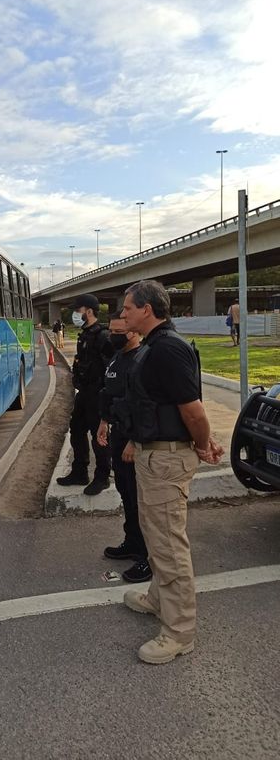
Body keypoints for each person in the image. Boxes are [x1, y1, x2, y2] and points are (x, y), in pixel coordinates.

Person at [120, 280, 223, 664]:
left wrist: (202, 443)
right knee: (156, 534)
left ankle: (180, 632)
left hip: (167, 460)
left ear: (147, 310)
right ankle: (158, 599)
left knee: (168, 545)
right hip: (154, 456)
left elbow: (193, 410)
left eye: (128, 307)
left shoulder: (167, 349)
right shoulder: (153, 346)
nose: (124, 314)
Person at [96, 311, 151, 583]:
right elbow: (109, 392)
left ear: (132, 331)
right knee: (126, 494)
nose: (113, 336)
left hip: (134, 438)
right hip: (117, 433)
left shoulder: (142, 359)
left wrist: (134, 440)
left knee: (140, 498)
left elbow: (143, 405)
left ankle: (147, 558)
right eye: (111, 330)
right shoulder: (118, 358)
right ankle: (131, 542)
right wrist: (104, 421)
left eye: (118, 331)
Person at [57, 294, 114, 494]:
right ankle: (80, 472)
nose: (75, 314)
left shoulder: (103, 336)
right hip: (84, 393)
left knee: (99, 437)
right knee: (77, 430)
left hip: (98, 395)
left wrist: (106, 399)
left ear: (89, 311)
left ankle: (102, 477)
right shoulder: (85, 334)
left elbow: (110, 369)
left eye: (78, 310)